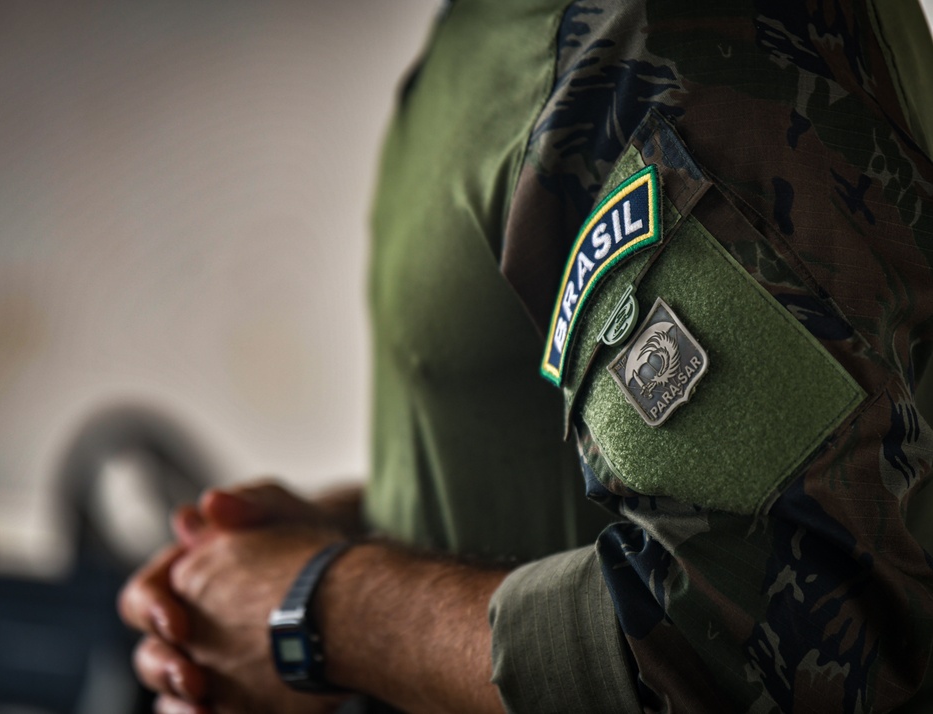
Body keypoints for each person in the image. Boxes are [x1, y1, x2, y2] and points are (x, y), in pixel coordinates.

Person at [119, 0, 933, 711]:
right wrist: (355, 534)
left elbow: (767, 646)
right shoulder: (488, 32)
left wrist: (319, 612)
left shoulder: (654, 30)